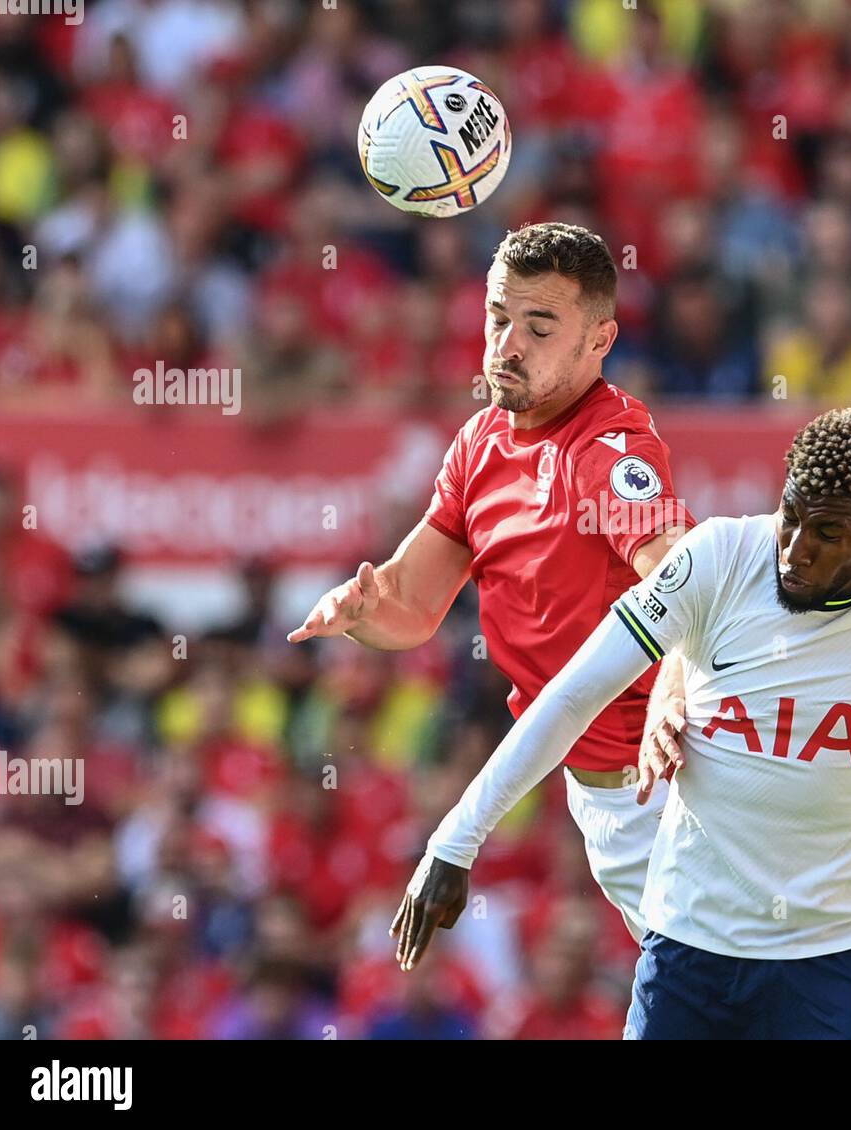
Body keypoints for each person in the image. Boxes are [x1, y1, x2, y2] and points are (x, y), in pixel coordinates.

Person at [394, 407, 851, 1038]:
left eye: (827, 534)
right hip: (692, 944)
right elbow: (570, 696)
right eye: (790, 517)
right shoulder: (718, 556)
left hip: (838, 950)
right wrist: (456, 842)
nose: (794, 550)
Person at [288, 222, 694, 939]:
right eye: (498, 318)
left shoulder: (606, 449)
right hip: (597, 795)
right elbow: (412, 607)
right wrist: (363, 607)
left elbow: (683, 576)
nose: (508, 345)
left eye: (540, 328)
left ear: (599, 341)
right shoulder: (480, 445)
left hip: (676, 793)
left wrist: (676, 680)